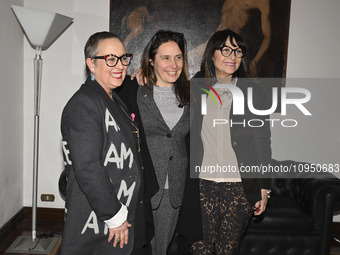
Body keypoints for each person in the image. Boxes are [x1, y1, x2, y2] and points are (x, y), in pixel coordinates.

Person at [60, 31, 157, 255]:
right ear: (91, 64)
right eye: (110, 59)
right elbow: (88, 168)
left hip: (125, 215)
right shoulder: (84, 103)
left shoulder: (114, 99)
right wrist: (114, 217)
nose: (120, 65)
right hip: (102, 223)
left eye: (123, 58)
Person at [189, 29, 272, 254]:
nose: (232, 56)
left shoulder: (253, 92)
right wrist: (142, 73)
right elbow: (164, 87)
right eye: (225, 49)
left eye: (237, 51)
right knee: (200, 249)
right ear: (212, 54)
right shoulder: (196, 87)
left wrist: (264, 186)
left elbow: (262, 142)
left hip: (239, 186)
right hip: (201, 184)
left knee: (227, 250)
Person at [118, 30, 192, 255]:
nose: (174, 64)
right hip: (140, 186)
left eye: (178, 57)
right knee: (133, 247)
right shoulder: (134, 89)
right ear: (151, 60)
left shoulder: (192, 94)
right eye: (166, 58)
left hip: (173, 189)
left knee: (160, 248)